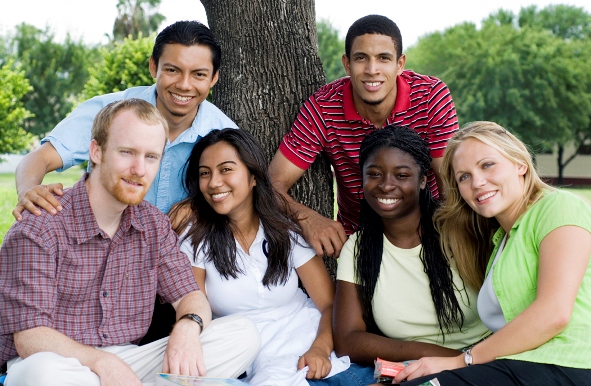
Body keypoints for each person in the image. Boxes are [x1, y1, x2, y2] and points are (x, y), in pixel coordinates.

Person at [0, 100, 260, 386]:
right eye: (127, 153)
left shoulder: (152, 224)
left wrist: (188, 327)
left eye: (151, 157)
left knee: (242, 334)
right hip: (59, 363)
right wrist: (103, 364)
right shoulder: (39, 226)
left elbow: (190, 296)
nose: (139, 169)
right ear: (96, 151)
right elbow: (29, 338)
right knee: (41, 374)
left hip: (131, 363)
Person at [394, 121, 591, 385]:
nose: (477, 182)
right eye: (464, 176)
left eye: (487, 165)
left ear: (520, 164)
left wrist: (460, 361)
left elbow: (554, 313)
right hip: (522, 366)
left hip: (568, 364)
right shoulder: (502, 241)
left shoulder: (558, 207)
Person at [169, 128, 350, 386]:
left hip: (313, 342)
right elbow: (192, 313)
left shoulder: (283, 228)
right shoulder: (195, 239)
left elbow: (329, 305)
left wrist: (320, 348)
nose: (214, 183)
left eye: (226, 169)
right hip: (252, 357)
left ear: (253, 176)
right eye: (205, 173)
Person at [269, 14, 459, 258]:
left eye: (383, 58)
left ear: (400, 64)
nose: (372, 70)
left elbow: (448, 185)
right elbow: (272, 183)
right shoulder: (324, 108)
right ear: (347, 64)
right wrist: (309, 220)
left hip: (426, 231)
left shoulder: (431, 96)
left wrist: (442, 246)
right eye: (361, 58)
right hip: (359, 240)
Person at [13, 20, 236, 220]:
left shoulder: (224, 132)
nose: (184, 85)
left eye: (199, 74)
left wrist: (197, 207)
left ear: (214, 78)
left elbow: (242, 202)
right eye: (172, 70)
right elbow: (40, 158)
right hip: (104, 247)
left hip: (183, 255)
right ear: (153, 67)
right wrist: (28, 190)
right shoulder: (108, 111)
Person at [331, 125, 489, 385]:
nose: (386, 185)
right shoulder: (358, 248)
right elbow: (348, 340)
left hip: (484, 362)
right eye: (374, 174)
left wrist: (463, 361)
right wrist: (439, 357)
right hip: (414, 368)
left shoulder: (460, 230)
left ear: (423, 179)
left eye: (402, 175)